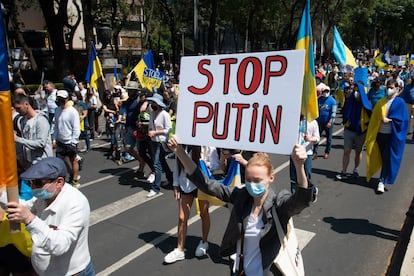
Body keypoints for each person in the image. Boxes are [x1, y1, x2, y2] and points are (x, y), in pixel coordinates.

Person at [167, 135, 313, 275]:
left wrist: (299, 166)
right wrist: (179, 152)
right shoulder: (241, 197)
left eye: (257, 180)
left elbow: (300, 200)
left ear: (271, 178)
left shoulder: (278, 203)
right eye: (248, 179)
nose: (252, 184)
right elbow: (207, 185)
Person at [5, 157, 95, 276]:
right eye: (30, 183)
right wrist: (3, 196)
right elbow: (24, 206)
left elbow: (60, 245)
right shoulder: (45, 196)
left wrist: (29, 219)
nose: (33, 188)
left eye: (38, 183)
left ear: (59, 182)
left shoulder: (76, 203)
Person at [164, 145, 211, 263]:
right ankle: (180, 249)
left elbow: (216, 163)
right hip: (186, 184)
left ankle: (204, 242)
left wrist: (207, 164)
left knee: (204, 213)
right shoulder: (181, 145)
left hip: (202, 183)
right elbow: (177, 165)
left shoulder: (207, 144)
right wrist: (175, 184)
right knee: (182, 217)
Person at [366, 79, 409, 194]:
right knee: (379, 156)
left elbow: (404, 121)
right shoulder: (381, 102)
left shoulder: (400, 103)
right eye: (387, 87)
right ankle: (381, 176)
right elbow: (374, 118)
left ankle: (382, 181)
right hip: (380, 135)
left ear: (397, 89)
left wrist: (390, 120)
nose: (388, 89)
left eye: (391, 87)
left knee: (386, 158)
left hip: (392, 136)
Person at [336, 83, 372, 180]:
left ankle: (355, 169)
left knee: (358, 152)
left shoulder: (367, 104)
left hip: (360, 132)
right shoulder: (350, 102)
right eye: (354, 91)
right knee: (346, 151)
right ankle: (344, 171)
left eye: (358, 91)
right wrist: (345, 125)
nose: (356, 93)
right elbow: (345, 114)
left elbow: (371, 118)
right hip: (349, 130)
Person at [13, 93, 53, 170]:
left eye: (19, 108)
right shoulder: (22, 121)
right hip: (30, 163)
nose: (18, 111)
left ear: (26, 104)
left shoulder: (41, 120)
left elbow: (41, 143)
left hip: (42, 163)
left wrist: (18, 139)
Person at [52, 89, 81, 188]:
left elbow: (76, 128)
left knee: (73, 160)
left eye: (61, 99)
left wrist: (74, 141)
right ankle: (71, 174)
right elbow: (56, 126)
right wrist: (54, 139)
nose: (59, 101)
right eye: (58, 99)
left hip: (70, 141)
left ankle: (74, 178)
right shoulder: (57, 110)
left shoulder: (72, 112)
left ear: (67, 99)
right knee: (62, 160)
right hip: (60, 141)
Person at [147, 93, 173, 198]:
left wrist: (156, 132)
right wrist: (149, 131)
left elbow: (168, 129)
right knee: (161, 161)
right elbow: (150, 126)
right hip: (153, 141)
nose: (152, 104)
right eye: (152, 102)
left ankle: (155, 188)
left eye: (154, 102)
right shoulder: (152, 114)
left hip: (161, 142)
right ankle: (171, 179)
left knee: (157, 164)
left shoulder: (164, 114)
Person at [290, 115, 319, 197]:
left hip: (307, 153)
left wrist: (310, 139)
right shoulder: (292, 121)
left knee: (306, 175)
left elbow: (317, 138)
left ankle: (311, 191)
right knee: (293, 176)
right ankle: (294, 195)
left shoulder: (313, 122)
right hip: (294, 153)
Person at [313, 84, 337, 159]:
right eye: (324, 91)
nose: (325, 93)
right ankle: (315, 152)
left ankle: (327, 152)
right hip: (319, 122)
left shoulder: (332, 101)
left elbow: (333, 113)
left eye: (327, 91)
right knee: (317, 138)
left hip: (328, 123)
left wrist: (330, 122)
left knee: (328, 139)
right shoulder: (319, 99)